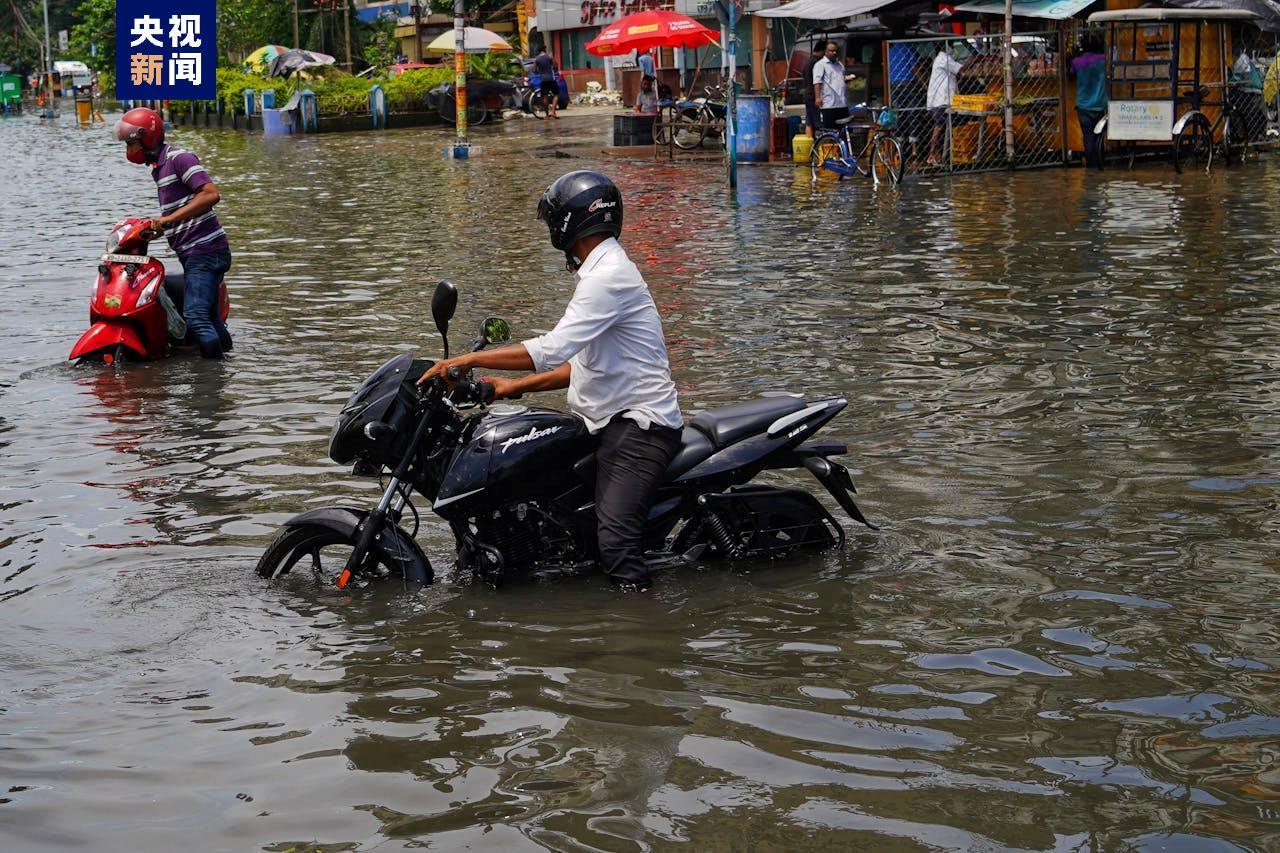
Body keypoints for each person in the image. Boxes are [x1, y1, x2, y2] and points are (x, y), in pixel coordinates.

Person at [418, 171, 682, 593]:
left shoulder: (607, 278)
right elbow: (580, 365)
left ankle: (639, 622)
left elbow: (551, 349)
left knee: (616, 546)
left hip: (640, 429)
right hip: (606, 422)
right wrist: (507, 387)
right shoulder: (601, 272)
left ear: (569, 222)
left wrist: (466, 360)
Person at [114, 107, 232, 359]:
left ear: (147, 138)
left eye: (131, 144)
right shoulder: (159, 168)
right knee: (210, 316)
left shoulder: (179, 158)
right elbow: (182, 210)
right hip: (194, 252)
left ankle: (212, 375)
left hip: (206, 251)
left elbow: (211, 194)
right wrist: (156, 229)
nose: (129, 150)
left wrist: (167, 220)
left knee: (196, 317)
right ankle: (227, 359)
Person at [1071, 34, 1107, 170]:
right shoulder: (1103, 59)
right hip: (1099, 104)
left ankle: (1091, 165)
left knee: (1088, 137)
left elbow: (1071, 75)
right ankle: (1100, 161)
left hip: (1083, 105)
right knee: (1099, 136)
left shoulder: (1077, 62)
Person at [927, 43, 966, 166]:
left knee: (941, 127)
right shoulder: (943, 59)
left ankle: (938, 154)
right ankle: (932, 154)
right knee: (940, 126)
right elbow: (960, 69)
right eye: (951, 47)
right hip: (941, 100)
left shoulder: (944, 59)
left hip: (943, 99)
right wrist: (973, 60)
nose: (953, 49)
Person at [812, 40, 850, 129]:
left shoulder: (839, 65)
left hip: (841, 103)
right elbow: (817, 82)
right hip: (829, 104)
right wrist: (817, 97)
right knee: (830, 129)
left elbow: (840, 79)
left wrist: (846, 80)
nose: (834, 53)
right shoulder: (820, 64)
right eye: (831, 51)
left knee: (844, 129)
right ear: (825, 51)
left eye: (836, 51)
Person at [801, 39, 828, 136]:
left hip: (808, 94)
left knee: (809, 121)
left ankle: (810, 142)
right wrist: (818, 96)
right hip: (813, 95)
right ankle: (819, 141)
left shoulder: (808, 61)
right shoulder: (817, 62)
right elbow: (816, 81)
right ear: (823, 50)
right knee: (818, 122)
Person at [534, 47, 559, 120]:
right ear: (545, 50)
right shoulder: (549, 57)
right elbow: (555, 66)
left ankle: (547, 115)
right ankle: (553, 112)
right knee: (556, 94)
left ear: (538, 51)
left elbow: (535, 70)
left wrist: (540, 71)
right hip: (551, 78)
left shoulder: (537, 59)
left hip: (543, 79)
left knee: (545, 97)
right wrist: (552, 59)